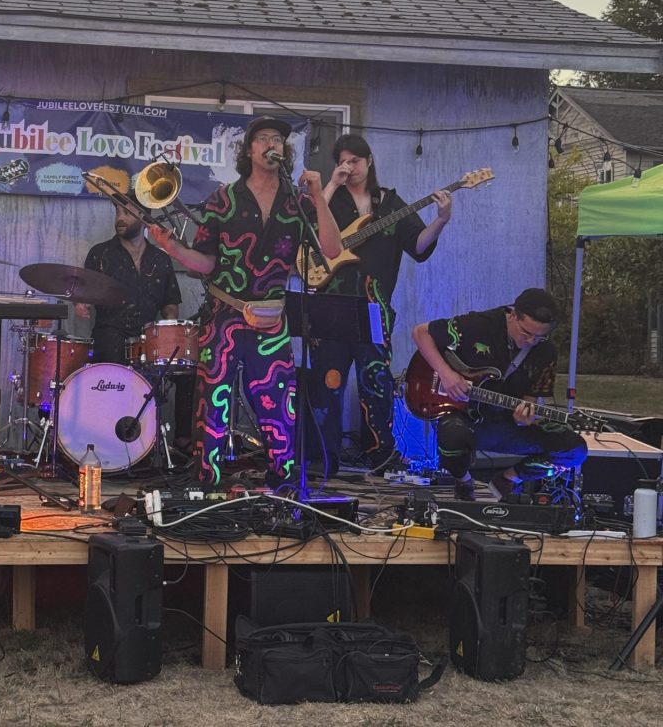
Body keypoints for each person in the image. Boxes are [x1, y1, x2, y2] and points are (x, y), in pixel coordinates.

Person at [151, 116, 342, 489]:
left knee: (277, 404)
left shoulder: (298, 201)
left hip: (273, 320)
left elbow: (332, 249)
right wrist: (172, 247)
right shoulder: (222, 200)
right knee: (214, 405)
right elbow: (206, 262)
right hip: (225, 316)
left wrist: (320, 195)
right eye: (264, 138)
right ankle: (208, 481)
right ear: (249, 150)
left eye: (278, 140)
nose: (272, 144)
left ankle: (282, 481)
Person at [308, 133, 451, 475]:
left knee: (376, 381)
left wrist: (441, 220)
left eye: (355, 160)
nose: (350, 166)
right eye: (343, 160)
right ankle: (322, 457)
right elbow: (309, 232)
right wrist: (330, 185)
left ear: (369, 161)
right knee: (328, 381)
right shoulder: (332, 200)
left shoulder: (390, 203)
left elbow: (417, 246)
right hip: (331, 305)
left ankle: (380, 454)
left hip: (375, 306)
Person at [411, 288, 588, 501]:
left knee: (575, 451)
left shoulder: (545, 352)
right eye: (526, 333)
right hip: (465, 416)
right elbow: (421, 333)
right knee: (452, 434)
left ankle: (509, 479)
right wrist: (446, 374)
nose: (531, 341)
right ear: (512, 315)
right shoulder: (480, 324)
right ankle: (463, 480)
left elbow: (529, 401)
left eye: (540, 336)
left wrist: (524, 419)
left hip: (502, 423)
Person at [74, 195, 182, 364]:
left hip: (148, 343)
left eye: (127, 213)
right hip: (109, 340)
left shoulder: (161, 259)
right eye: (117, 213)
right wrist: (80, 303)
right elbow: (82, 292)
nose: (120, 219)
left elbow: (170, 303)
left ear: (144, 218)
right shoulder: (100, 254)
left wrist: (169, 333)